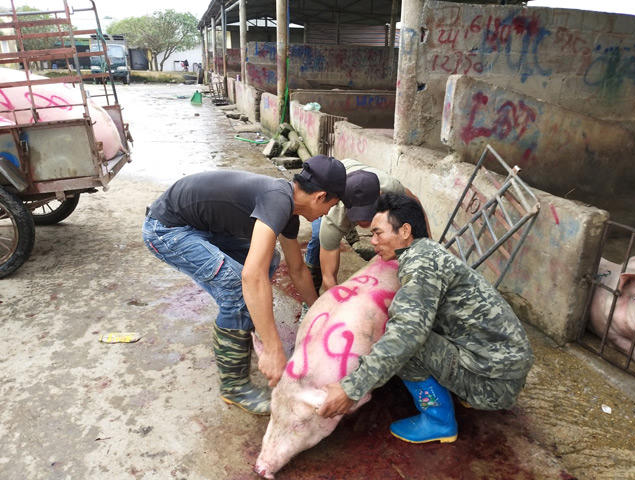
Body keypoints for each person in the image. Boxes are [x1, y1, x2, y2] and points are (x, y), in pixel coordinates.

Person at [143, 155, 359, 416]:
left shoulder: (288, 209)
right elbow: (251, 277)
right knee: (239, 287)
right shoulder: (278, 200)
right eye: (331, 206)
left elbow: (297, 269)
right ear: (320, 196)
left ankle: (241, 319)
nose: (326, 214)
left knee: (269, 261)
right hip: (166, 230)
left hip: (198, 225)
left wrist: (318, 313)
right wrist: (273, 348)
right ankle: (234, 386)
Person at [317, 192, 534, 444]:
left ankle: (438, 421)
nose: (373, 241)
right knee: (410, 330)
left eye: (378, 233)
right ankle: (462, 387)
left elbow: (406, 336)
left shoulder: (421, 265)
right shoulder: (428, 250)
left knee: (405, 344)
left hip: (495, 383)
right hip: (502, 366)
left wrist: (351, 388)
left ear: (405, 231)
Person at [304, 158, 431, 293]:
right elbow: (329, 277)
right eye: (357, 215)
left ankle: (351, 234)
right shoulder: (333, 218)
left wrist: (428, 242)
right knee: (318, 237)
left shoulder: (391, 188)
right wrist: (337, 301)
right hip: (334, 180)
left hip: (359, 174)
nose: (363, 221)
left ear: (380, 196)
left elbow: (416, 206)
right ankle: (312, 276)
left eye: (367, 213)